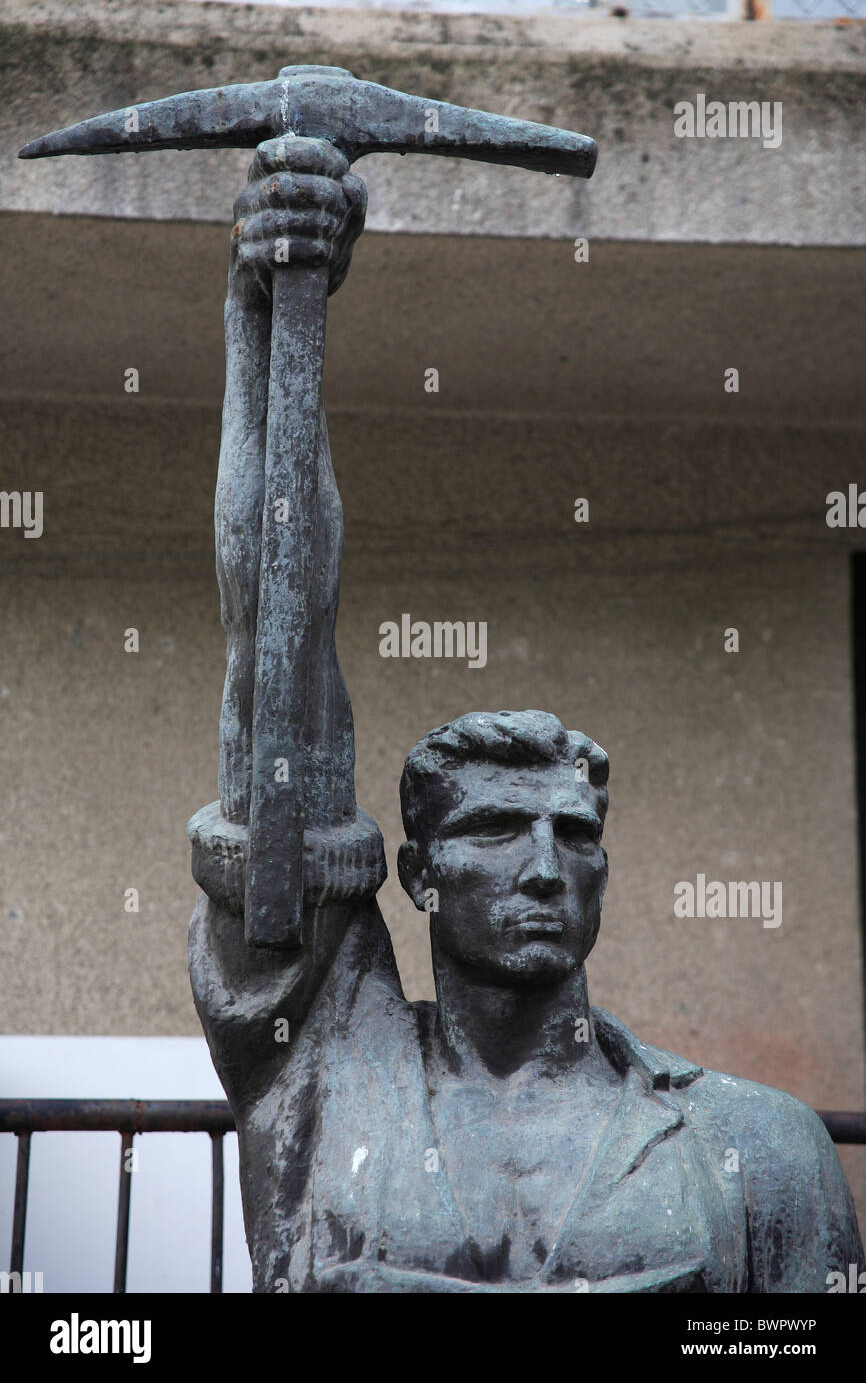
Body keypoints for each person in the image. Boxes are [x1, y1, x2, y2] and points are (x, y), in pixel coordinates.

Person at [188, 137, 863, 1293]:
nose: (545, 867)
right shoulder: (328, 1070)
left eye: (575, 836)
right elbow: (276, 661)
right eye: (496, 831)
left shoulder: (757, 1148)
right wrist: (265, 314)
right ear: (416, 874)